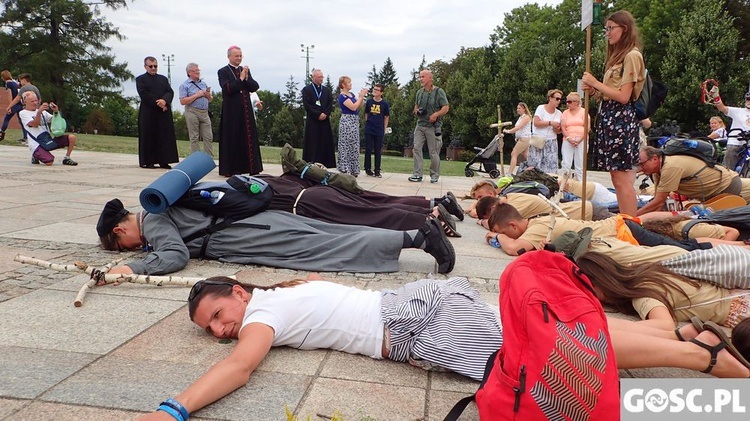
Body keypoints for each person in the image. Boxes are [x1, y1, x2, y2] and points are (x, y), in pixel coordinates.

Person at [134, 277, 749, 421]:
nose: (222, 331)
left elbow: (241, 370)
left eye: (218, 315)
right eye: (211, 330)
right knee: (540, 339)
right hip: (423, 303)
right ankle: (679, 337)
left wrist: (177, 407)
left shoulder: (262, 313)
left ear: (238, 294)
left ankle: (701, 361)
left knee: (548, 357)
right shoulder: (277, 292)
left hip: (417, 325)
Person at [96, 198, 456, 276]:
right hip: (262, 223)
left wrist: (130, 268)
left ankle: (420, 238)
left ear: (120, 230)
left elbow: (175, 256)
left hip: (255, 235)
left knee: (334, 245)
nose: (134, 247)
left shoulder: (153, 220)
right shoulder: (160, 206)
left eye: (122, 245)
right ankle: (416, 234)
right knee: (339, 233)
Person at [486, 203, 750, 259]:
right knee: (682, 249)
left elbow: (514, 249)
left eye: (505, 231)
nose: (507, 236)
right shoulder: (538, 223)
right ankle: (737, 247)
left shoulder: (536, 227)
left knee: (685, 251)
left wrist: (495, 238)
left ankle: (740, 248)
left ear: (512, 225)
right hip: (623, 229)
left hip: (623, 232)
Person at [582, 11, 645, 217]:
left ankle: (630, 225)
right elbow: (611, 94)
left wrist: (595, 83)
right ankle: (625, 222)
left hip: (621, 119)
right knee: (617, 179)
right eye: (606, 29)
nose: (607, 33)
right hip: (610, 116)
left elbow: (624, 96)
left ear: (624, 29)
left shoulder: (632, 56)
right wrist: (595, 91)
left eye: (611, 28)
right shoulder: (617, 57)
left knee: (623, 179)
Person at [260, 173, 464, 231]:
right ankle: (434, 208)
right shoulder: (267, 179)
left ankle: (430, 218)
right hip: (319, 192)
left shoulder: (251, 191)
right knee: (380, 205)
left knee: (375, 212)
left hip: (311, 201)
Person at [636, 145, 750, 216]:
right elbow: (658, 203)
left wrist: (631, 217)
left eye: (642, 164)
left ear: (655, 158)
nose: (640, 169)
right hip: (717, 192)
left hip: (728, 188)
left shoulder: (670, 166)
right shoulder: (658, 170)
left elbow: (658, 202)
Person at [217, 46, 262, 176]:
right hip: (231, 112)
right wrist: (240, 79)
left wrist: (247, 78)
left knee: (248, 138)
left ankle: (252, 168)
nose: (239, 58)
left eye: (241, 56)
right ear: (229, 56)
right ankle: (232, 169)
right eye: (236, 56)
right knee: (233, 138)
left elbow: (254, 87)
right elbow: (227, 89)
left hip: (246, 111)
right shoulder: (223, 71)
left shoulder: (245, 70)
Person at [136, 56, 178, 169]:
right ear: (145, 67)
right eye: (151, 66)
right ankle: (148, 161)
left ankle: (164, 160)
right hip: (148, 112)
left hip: (163, 112)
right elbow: (144, 94)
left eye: (155, 66)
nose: (153, 68)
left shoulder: (163, 79)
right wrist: (158, 103)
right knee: (149, 136)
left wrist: (165, 101)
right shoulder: (141, 79)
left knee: (164, 136)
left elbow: (170, 92)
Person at [409, 70, 449, 184]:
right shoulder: (419, 92)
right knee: (416, 148)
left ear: (430, 78)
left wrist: (436, 114)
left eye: (423, 77)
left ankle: (434, 175)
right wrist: (416, 111)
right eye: (420, 77)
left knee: (433, 152)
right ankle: (417, 174)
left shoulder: (438, 92)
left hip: (433, 126)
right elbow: (416, 106)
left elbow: (446, 107)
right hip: (420, 124)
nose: (421, 79)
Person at [18, 91, 78, 166]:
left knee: (71, 138)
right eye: (32, 101)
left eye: (36, 100)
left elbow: (54, 120)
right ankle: (36, 155)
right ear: (25, 102)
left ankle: (67, 158)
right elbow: (35, 124)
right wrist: (39, 112)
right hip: (36, 143)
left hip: (47, 140)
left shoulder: (43, 112)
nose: (35, 103)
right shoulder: (23, 113)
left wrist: (55, 111)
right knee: (49, 162)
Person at [301, 69, 336, 168]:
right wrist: (317, 114)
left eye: (322, 77)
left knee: (324, 141)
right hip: (313, 120)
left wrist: (325, 113)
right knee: (312, 142)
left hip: (324, 121)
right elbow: (307, 105)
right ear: (314, 77)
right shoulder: (307, 90)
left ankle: (325, 162)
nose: (321, 79)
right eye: (319, 77)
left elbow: (330, 104)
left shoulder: (326, 90)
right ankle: (311, 161)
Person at [709, 88, 750, 171]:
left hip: (748, 144)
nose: (749, 102)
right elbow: (722, 108)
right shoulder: (738, 111)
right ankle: (725, 181)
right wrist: (716, 96)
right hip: (735, 142)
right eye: (748, 99)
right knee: (727, 168)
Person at [179, 63, 213, 157]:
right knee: (194, 136)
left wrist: (208, 95)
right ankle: (196, 158)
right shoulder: (185, 85)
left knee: (208, 136)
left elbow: (210, 99)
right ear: (189, 73)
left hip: (205, 112)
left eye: (198, 70)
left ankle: (208, 158)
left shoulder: (203, 84)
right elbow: (182, 101)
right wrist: (196, 95)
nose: (198, 72)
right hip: (192, 111)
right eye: (195, 71)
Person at [336, 76, 368, 177]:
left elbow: (359, 105)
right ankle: (344, 167)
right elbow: (353, 107)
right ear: (343, 85)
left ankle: (354, 169)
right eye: (348, 83)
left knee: (354, 145)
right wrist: (361, 97)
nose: (350, 84)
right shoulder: (342, 96)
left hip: (354, 121)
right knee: (345, 144)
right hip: (347, 121)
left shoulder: (352, 95)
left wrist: (360, 98)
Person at [529, 89, 562, 175]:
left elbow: (558, 132)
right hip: (538, 139)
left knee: (551, 166)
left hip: (552, 141)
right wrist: (550, 123)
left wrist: (557, 128)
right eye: (557, 98)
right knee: (535, 164)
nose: (559, 101)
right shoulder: (541, 108)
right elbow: (536, 122)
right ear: (550, 98)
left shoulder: (559, 113)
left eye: (560, 99)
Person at [5, 73, 41, 143]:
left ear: (24, 80)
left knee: (27, 123)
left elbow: (17, 99)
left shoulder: (24, 88)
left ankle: (27, 138)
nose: (20, 83)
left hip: (27, 109)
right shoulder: (35, 88)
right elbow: (39, 99)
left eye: (20, 81)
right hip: (35, 109)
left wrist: (9, 107)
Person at [560, 92, 588, 180]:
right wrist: (568, 138)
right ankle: (564, 185)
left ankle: (580, 185)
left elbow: (587, 127)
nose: (567, 103)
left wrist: (579, 140)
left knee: (580, 165)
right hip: (568, 139)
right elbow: (563, 127)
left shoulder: (584, 112)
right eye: (567, 101)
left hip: (581, 139)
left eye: (569, 102)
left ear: (576, 102)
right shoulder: (565, 112)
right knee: (566, 163)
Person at [364, 83, 390, 177]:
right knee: (368, 149)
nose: (375, 91)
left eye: (377, 90)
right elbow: (366, 114)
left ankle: (377, 170)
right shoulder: (369, 102)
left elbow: (386, 117)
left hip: (379, 129)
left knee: (378, 150)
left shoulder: (385, 104)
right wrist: (368, 123)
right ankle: (367, 168)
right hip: (369, 129)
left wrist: (384, 128)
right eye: (374, 89)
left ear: (381, 92)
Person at [503, 102, 532, 175]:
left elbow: (518, 127)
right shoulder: (521, 117)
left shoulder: (526, 117)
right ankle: (533, 169)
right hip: (522, 139)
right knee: (525, 156)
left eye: (519, 108)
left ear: (524, 109)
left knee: (514, 154)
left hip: (524, 139)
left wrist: (508, 131)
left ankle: (509, 173)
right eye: (517, 108)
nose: (517, 110)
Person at [1, 70, 22, 142]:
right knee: (21, 120)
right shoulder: (15, 83)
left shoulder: (8, 84)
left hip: (14, 103)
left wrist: (10, 106)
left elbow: (10, 95)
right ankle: (25, 136)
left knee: (7, 118)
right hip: (19, 103)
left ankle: (2, 132)